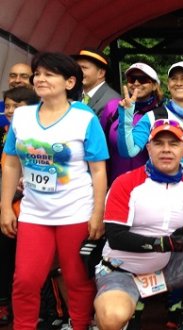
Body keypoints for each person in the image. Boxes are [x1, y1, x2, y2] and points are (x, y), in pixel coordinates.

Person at [93, 120, 183, 330]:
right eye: (159, 144)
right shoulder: (126, 182)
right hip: (123, 271)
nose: (166, 150)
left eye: (173, 144)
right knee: (112, 318)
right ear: (148, 148)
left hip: (165, 268)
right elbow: (116, 237)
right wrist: (168, 243)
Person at [1, 52, 108, 330]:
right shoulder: (22, 116)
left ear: (69, 81)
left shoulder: (84, 119)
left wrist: (98, 213)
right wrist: (4, 207)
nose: (40, 79)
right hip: (34, 213)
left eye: (49, 74)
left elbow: (98, 170)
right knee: (25, 279)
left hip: (76, 212)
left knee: (76, 278)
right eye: (38, 74)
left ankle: (80, 324)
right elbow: (12, 163)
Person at [117, 61, 183, 182]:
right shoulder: (152, 117)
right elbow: (128, 151)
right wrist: (127, 117)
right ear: (168, 85)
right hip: (157, 190)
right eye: (174, 79)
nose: (179, 83)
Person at [0, 86, 39, 326]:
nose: (11, 111)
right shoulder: (6, 132)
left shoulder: (39, 135)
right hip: (8, 210)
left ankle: (49, 311)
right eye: (8, 106)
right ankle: (5, 304)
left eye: (18, 106)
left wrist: (13, 194)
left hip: (31, 212)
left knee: (30, 268)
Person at [99, 62, 163, 185]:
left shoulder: (161, 113)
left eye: (143, 79)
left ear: (155, 85)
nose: (136, 83)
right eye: (132, 79)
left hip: (150, 187)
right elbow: (101, 148)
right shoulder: (112, 107)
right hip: (116, 184)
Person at [73, 48, 120, 117]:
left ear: (101, 73)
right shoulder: (74, 95)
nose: (78, 71)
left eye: (84, 67)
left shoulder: (112, 102)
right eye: (77, 67)